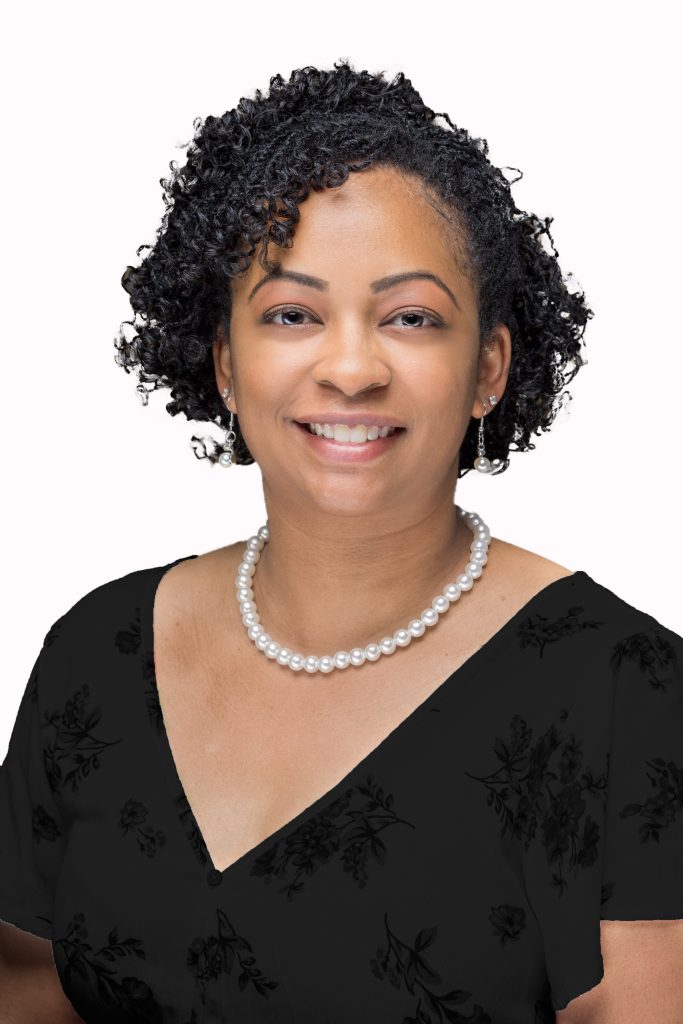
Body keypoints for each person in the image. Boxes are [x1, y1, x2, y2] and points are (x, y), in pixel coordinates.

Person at [1, 59, 681, 1024]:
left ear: (487, 366)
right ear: (226, 363)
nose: (352, 368)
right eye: (292, 314)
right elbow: (26, 987)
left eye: (410, 317)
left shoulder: (627, 691)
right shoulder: (99, 650)